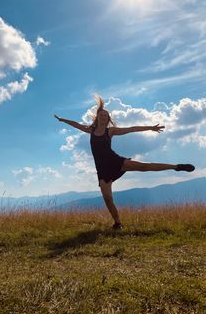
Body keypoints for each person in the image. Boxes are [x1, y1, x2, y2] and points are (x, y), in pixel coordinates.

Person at [54, 94, 195, 229]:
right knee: (108, 199)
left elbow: (132, 129)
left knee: (144, 167)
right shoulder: (90, 130)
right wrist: (62, 120)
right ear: (97, 117)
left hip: (115, 161)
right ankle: (117, 223)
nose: (103, 117)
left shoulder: (111, 131)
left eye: (106, 116)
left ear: (108, 118)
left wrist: (151, 128)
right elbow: (75, 124)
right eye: (101, 115)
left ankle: (176, 167)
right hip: (102, 169)